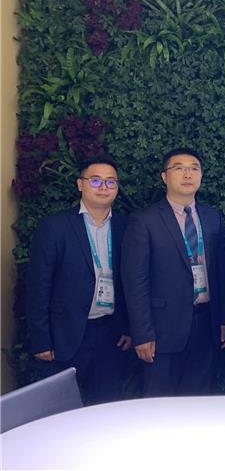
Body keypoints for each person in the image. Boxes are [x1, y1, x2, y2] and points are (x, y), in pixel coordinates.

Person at [122, 148, 225, 396]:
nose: (187, 174)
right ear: (164, 176)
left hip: (206, 324)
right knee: (159, 403)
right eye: (179, 168)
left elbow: (221, 272)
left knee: (198, 400)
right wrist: (142, 333)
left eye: (194, 168)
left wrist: (223, 319)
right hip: (162, 330)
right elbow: (135, 282)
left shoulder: (213, 218)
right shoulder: (144, 220)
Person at [27, 155, 131, 404]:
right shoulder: (55, 226)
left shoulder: (126, 226)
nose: (104, 187)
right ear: (80, 184)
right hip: (65, 334)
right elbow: (38, 286)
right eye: (95, 181)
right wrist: (41, 340)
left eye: (111, 181)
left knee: (106, 407)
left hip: (110, 335)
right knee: (61, 410)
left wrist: (129, 327)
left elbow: (131, 282)